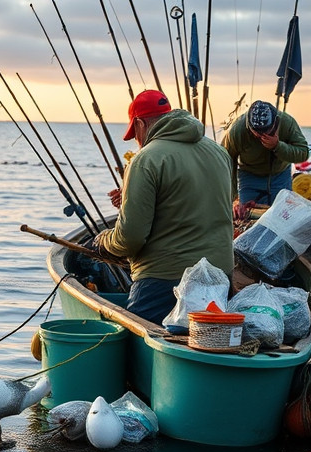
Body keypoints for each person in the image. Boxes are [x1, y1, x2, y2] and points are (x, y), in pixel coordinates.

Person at [93, 90, 234, 326]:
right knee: (207, 341)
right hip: (220, 277)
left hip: (164, 280)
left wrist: (104, 242)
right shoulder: (219, 152)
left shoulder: (146, 159)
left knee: (140, 343)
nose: (137, 141)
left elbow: (131, 238)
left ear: (139, 124)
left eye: (134, 134)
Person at [221, 100, 309, 218]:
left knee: (282, 217)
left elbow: (303, 153)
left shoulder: (287, 122)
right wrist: (233, 198)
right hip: (250, 177)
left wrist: (278, 146)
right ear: (249, 127)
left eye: (267, 132)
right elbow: (225, 162)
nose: (262, 136)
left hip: (280, 175)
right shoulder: (237, 130)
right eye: (257, 133)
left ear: (276, 122)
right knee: (246, 217)